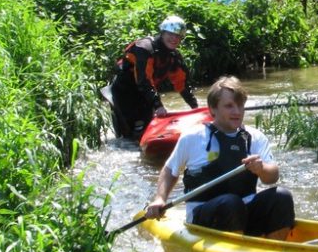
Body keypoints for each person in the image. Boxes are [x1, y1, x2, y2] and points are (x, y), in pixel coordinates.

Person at [145, 76, 295, 240]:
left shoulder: (254, 137)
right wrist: (160, 199)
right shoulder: (193, 137)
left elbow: (272, 176)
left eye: (240, 105)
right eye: (229, 106)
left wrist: (261, 169)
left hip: (244, 212)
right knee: (231, 203)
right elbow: (170, 170)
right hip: (204, 216)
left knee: (281, 196)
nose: (237, 112)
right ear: (213, 109)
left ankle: (275, 249)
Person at [109, 15, 199, 138]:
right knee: (131, 133)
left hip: (145, 94)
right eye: (171, 34)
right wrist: (158, 105)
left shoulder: (174, 57)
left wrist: (195, 107)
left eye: (178, 36)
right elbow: (143, 81)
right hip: (124, 91)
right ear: (162, 33)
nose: (174, 38)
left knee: (147, 127)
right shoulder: (144, 49)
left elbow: (182, 85)